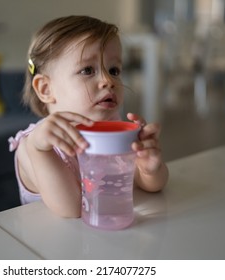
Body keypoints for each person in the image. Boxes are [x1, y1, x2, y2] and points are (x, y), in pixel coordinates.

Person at [9, 15, 168, 218]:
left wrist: (150, 169)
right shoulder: (32, 146)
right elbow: (73, 209)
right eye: (87, 70)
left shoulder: (116, 131)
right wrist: (39, 150)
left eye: (114, 70)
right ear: (46, 89)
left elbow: (151, 187)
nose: (108, 80)